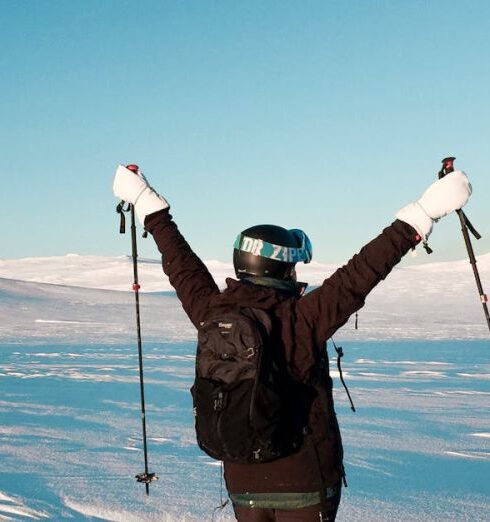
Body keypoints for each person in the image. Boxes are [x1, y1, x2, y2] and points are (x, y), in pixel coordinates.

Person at [113, 164, 471, 521]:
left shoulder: (211, 310)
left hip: (243, 482)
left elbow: (181, 265)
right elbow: (361, 273)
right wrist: (423, 213)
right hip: (305, 481)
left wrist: (147, 202)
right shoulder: (302, 318)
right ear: (281, 270)